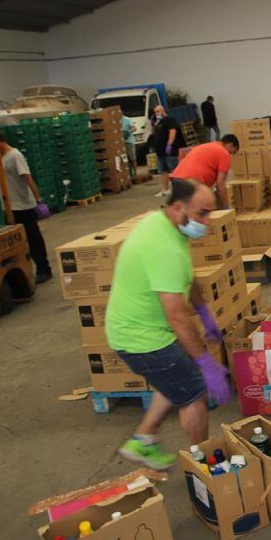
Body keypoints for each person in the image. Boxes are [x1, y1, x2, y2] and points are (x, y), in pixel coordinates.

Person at [107, 178, 231, 470]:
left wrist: (203, 312)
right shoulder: (165, 250)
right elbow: (176, 316)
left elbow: (187, 278)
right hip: (143, 339)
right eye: (202, 213)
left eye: (210, 213)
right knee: (195, 394)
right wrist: (206, 363)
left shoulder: (162, 223)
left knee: (177, 377)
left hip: (137, 330)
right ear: (178, 208)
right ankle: (201, 465)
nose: (207, 221)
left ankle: (144, 438)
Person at [0, 131, 53, 284]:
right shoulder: (0, 157)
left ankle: (44, 269)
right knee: (16, 242)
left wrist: (38, 200)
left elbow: (27, 177)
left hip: (23, 205)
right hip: (9, 206)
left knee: (33, 239)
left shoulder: (15, 156)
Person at [171, 135, 239, 208]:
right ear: (230, 145)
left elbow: (182, 151)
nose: (231, 154)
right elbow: (220, 185)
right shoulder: (224, 154)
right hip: (192, 183)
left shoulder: (208, 145)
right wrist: (227, 208)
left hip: (176, 178)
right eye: (233, 152)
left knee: (180, 210)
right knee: (197, 211)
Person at [152, 105, 185, 196]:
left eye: (158, 111)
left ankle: (179, 189)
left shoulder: (169, 120)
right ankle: (165, 189)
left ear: (163, 111)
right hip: (160, 151)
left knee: (174, 170)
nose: (157, 114)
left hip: (169, 151)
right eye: (155, 112)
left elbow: (172, 131)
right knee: (163, 171)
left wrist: (169, 144)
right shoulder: (158, 122)